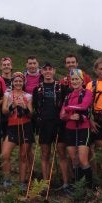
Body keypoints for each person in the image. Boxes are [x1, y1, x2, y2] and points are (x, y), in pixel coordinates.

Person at [32, 61, 70, 193]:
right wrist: (37, 121)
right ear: (42, 72)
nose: (48, 71)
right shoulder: (37, 89)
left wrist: (63, 120)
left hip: (59, 124)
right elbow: (35, 108)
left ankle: (66, 183)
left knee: (62, 153)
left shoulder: (62, 87)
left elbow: (67, 106)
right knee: (45, 154)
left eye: (50, 69)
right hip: (44, 125)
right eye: (45, 69)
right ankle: (45, 184)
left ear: (54, 71)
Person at [60, 69, 94, 188]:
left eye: (77, 79)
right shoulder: (68, 96)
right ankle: (78, 187)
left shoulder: (87, 93)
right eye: (72, 79)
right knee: (74, 159)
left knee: (83, 159)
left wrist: (67, 108)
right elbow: (61, 115)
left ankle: (90, 187)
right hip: (70, 129)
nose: (74, 81)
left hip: (83, 128)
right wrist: (70, 116)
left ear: (82, 81)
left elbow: (84, 106)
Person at [1, 72, 34, 192]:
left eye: (20, 81)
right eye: (16, 81)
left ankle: (22, 182)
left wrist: (24, 107)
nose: (18, 83)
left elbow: (31, 114)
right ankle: (7, 179)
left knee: (23, 156)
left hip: (25, 126)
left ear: (23, 82)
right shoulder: (7, 94)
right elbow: (4, 111)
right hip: (12, 127)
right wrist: (12, 106)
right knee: (5, 154)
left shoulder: (28, 96)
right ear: (12, 82)